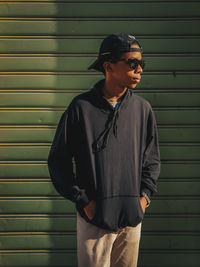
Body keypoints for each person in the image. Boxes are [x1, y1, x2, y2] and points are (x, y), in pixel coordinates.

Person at [48, 33, 160, 267]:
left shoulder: (142, 109)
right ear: (108, 66)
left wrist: (143, 199)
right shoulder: (81, 109)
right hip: (95, 220)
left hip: (131, 221)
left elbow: (151, 160)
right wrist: (84, 201)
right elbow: (58, 162)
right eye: (132, 63)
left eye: (142, 63)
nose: (139, 69)